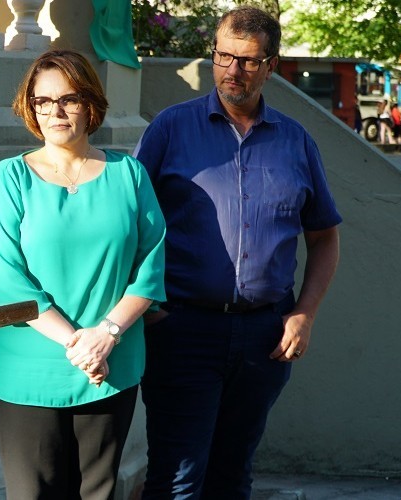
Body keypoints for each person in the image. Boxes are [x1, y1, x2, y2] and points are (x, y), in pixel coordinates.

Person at [134, 6, 341, 499]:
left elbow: (325, 237)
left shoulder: (296, 142)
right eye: (223, 57)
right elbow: (132, 223)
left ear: (271, 65)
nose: (232, 71)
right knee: (178, 478)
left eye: (247, 61)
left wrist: (304, 315)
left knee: (233, 474)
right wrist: (150, 307)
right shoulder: (170, 129)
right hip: (182, 329)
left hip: (264, 335)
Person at [0, 49, 166, 500]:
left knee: (99, 493)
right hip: (29, 368)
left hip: (110, 364)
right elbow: (2, 276)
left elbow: (151, 266)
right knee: (34, 494)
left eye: (68, 99)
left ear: (90, 103)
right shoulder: (11, 177)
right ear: (29, 107)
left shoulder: (129, 174)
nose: (55, 111)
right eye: (42, 101)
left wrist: (107, 334)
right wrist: (80, 345)